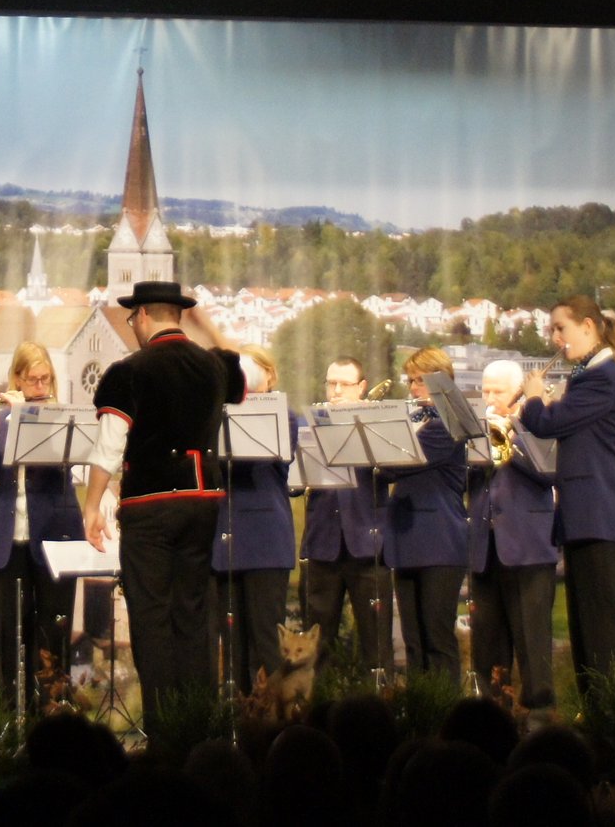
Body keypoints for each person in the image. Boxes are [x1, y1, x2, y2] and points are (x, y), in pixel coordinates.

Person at [83, 280, 246, 731]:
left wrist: (92, 505)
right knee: (193, 613)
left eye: (132, 318)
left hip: (149, 504)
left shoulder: (128, 371)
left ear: (143, 316)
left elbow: (109, 448)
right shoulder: (214, 366)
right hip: (203, 502)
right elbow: (240, 372)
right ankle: (199, 725)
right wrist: (209, 327)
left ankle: (165, 731)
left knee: (151, 617)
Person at [517, 294, 615, 694]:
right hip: (586, 517)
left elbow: (545, 424)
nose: (555, 338)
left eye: (561, 328)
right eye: (552, 330)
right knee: (587, 636)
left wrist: (535, 397)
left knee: (606, 638)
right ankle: (597, 714)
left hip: (600, 516)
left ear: (587, 326)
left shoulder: (603, 377)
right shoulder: (588, 377)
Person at [0, 341, 85, 714]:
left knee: (52, 633)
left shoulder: (60, 417)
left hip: (54, 534)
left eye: (45, 379)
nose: (40, 386)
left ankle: (51, 717)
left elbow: (55, 464)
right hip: (5, 539)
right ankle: (8, 719)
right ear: (17, 379)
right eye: (33, 379)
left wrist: (25, 416)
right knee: (5, 634)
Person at [468, 358, 557, 717]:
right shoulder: (477, 427)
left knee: (532, 643)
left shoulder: (538, 422)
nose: (490, 399)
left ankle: (539, 717)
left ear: (518, 392)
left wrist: (511, 435)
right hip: (485, 545)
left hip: (528, 546)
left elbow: (549, 472)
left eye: (498, 392)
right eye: (485, 391)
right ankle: (492, 715)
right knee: (487, 644)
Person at [212, 345, 300, 693]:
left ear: (270, 375)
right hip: (226, 533)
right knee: (232, 642)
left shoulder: (284, 416)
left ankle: (276, 716)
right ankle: (237, 713)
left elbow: (259, 456)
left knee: (266, 640)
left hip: (265, 538)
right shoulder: (218, 414)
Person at [378, 346, 469, 681]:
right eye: (411, 380)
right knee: (413, 642)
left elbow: (402, 463)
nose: (414, 388)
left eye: (421, 381)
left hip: (439, 540)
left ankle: (444, 707)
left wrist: (375, 452)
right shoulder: (416, 421)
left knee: (437, 638)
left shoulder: (450, 421)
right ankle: (419, 706)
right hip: (406, 539)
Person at [301, 356, 392, 677]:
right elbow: (296, 483)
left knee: (376, 642)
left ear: (361, 387)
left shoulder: (378, 424)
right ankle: (317, 703)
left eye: (345, 384)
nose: (337, 391)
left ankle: (379, 702)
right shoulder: (312, 424)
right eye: (332, 383)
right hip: (323, 540)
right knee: (317, 644)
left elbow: (394, 472)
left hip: (368, 542)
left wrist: (368, 432)